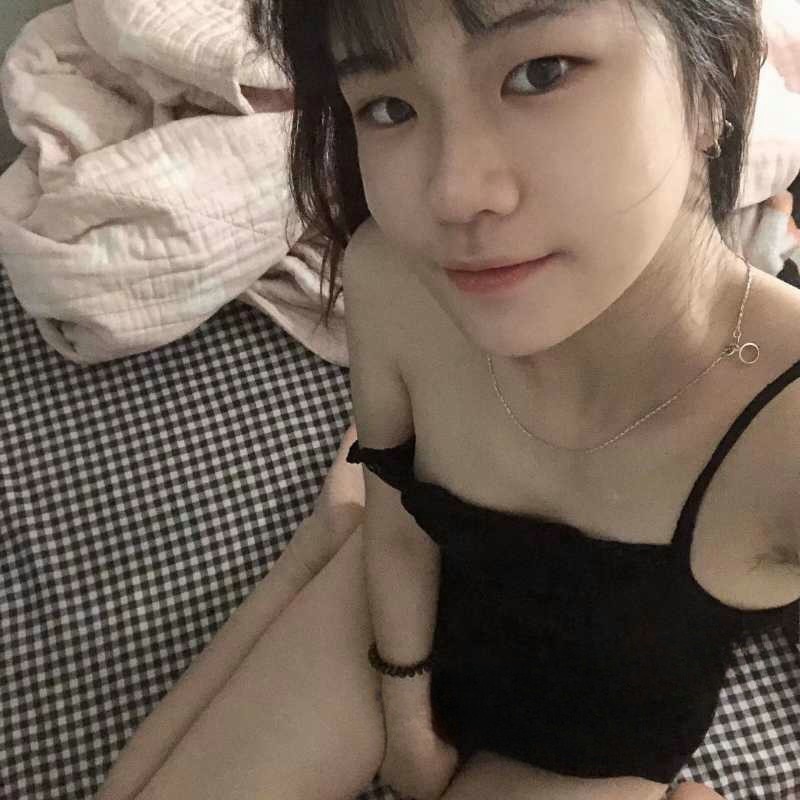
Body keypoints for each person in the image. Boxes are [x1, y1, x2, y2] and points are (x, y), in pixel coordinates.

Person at [96, 1, 800, 798]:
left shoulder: (787, 426)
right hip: (398, 617)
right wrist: (407, 724)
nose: (453, 193)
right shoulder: (393, 277)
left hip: (585, 743)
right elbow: (400, 523)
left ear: (714, 83)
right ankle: (325, 539)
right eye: (388, 107)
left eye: (540, 73)